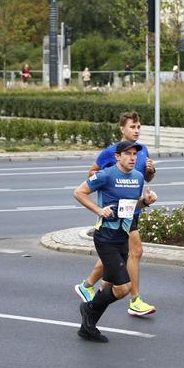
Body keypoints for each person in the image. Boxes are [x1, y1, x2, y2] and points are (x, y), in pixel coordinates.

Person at [74, 111, 157, 317]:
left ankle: (89, 286)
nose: (136, 131)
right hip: (115, 214)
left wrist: (151, 171)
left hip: (133, 209)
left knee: (116, 256)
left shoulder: (142, 149)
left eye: (138, 127)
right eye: (132, 127)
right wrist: (111, 179)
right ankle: (134, 299)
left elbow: (144, 179)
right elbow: (92, 174)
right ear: (122, 128)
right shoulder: (109, 152)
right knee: (134, 253)